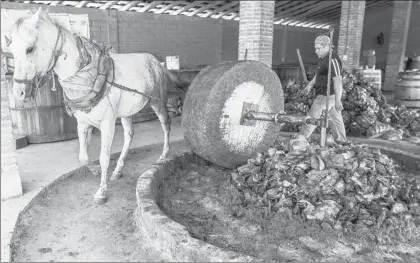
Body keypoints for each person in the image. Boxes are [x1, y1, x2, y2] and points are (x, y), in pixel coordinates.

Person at [299, 35, 347, 144]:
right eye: (315, 48)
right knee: (336, 120)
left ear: (327, 46)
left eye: (318, 48)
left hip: (326, 96)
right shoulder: (323, 58)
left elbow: (338, 80)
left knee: (311, 119)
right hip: (327, 96)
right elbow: (319, 73)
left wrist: (338, 100)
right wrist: (310, 85)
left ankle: (299, 141)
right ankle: (342, 142)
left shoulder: (332, 60)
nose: (316, 51)